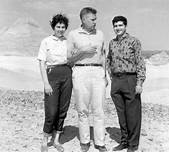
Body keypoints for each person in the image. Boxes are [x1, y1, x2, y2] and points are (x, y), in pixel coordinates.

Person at [67, 7, 108, 152]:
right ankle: (84, 141)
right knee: (82, 109)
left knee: (99, 109)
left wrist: (105, 75)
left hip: (98, 72)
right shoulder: (73, 35)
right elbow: (69, 59)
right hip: (80, 71)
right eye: (93, 19)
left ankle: (100, 143)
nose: (95, 22)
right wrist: (82, 51)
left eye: (95, 19)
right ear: (83, 19)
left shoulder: (101, 34)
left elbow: (103, 56)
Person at [107, 16, 146, 152]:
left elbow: (140, 62)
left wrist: (139, 82)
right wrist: (111, 76)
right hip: (116, 81)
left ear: (125, 26)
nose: (118, 28)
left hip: (130, 80)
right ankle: (124, 141)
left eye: (120, 25)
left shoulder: (134, 41)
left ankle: (133, 145)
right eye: (115, 26)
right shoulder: (112, 43)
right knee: (121, 114)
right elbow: (108, 60)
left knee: (133, 114)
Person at [37, 14, 72, 152]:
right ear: (53, 27)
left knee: (63, 109)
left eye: (63, 27)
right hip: (52, 75)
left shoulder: (68, 41)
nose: (61, 29)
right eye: (58, 26)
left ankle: (56, 140)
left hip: (67, 74)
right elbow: (41, 62)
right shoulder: (46, 41)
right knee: (51, 111)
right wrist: (46, 83)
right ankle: (45, 140)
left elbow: (72, 58)